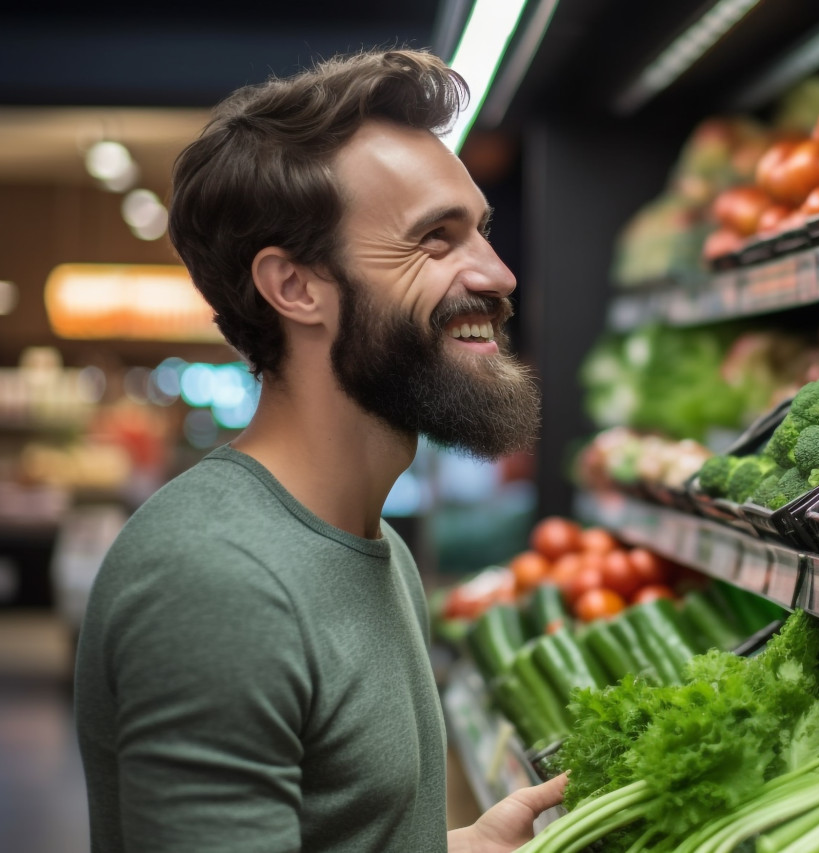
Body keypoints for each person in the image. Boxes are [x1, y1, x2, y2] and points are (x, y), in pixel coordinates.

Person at [74, 48, 566, 853]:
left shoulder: (379, 550)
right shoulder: (218, 578)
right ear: (296, 287)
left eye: (479, 228)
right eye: (435, 242)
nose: (499, 273)